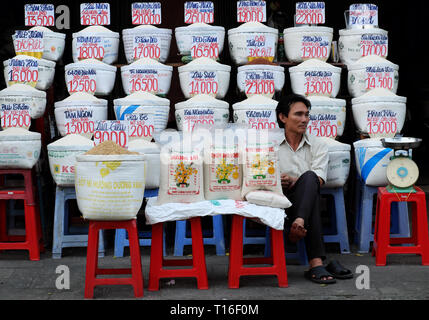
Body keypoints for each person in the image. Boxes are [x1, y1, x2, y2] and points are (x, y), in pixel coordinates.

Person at [276, 93, 353, 284]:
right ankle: (316, 263)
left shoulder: (318, 144)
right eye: (298, 114)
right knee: (311, 198)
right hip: (277, 201)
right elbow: (258, 176)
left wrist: (296, 180)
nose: (304, 120)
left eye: (307, 115)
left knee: (310, 178)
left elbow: (318, 179)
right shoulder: (269, 144)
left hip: (304, 200)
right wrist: (276, 180)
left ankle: (299, 224)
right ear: (283, 117)